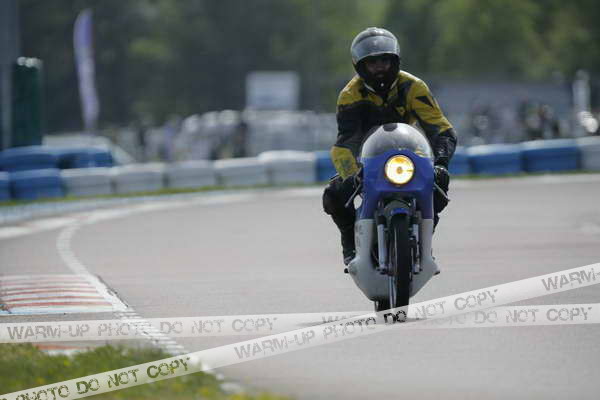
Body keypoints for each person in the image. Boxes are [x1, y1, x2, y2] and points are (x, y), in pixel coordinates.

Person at [322, 27, 458, 265]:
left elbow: (441, 128)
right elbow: (345, 141)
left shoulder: (414, 87)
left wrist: (441, 163)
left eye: (384, 61)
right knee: (333, 195)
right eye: (372, 63)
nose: (380, 68)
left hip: (410, 155)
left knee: (439, 187)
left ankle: (424, 239)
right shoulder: (350, 95)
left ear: (395, 61)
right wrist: (352, 174)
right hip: (367, 160)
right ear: (360, 66)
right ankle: (349, 240)